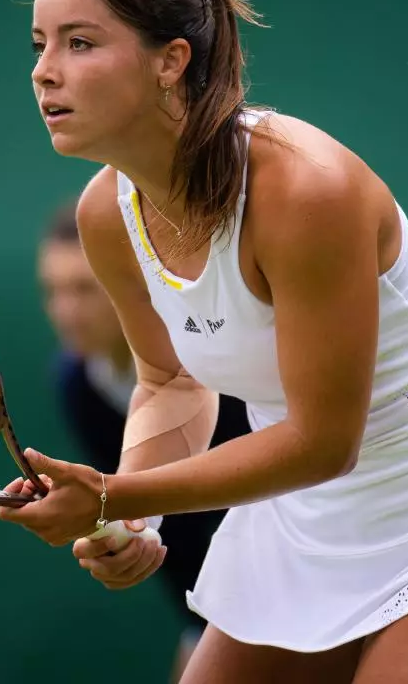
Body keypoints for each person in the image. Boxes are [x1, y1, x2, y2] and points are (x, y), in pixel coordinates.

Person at [1, 0, 408, 683]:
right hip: (298, 528)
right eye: (39, 44)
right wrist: (130, 519)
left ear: (170, 61)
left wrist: (115, 490)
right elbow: (173, 383)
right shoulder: (106, 216)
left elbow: (320, 441)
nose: (45, 73)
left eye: (80, 43)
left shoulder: (306, 189)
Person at [35, 196, 253, 679]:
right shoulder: (75, 385)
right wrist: (125, 535)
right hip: (213, 604)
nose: (66, 311)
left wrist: (118, 499)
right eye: (52, 292)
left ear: (132, 286)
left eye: (84, 290)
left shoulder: (220, 366)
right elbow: (159, 526)